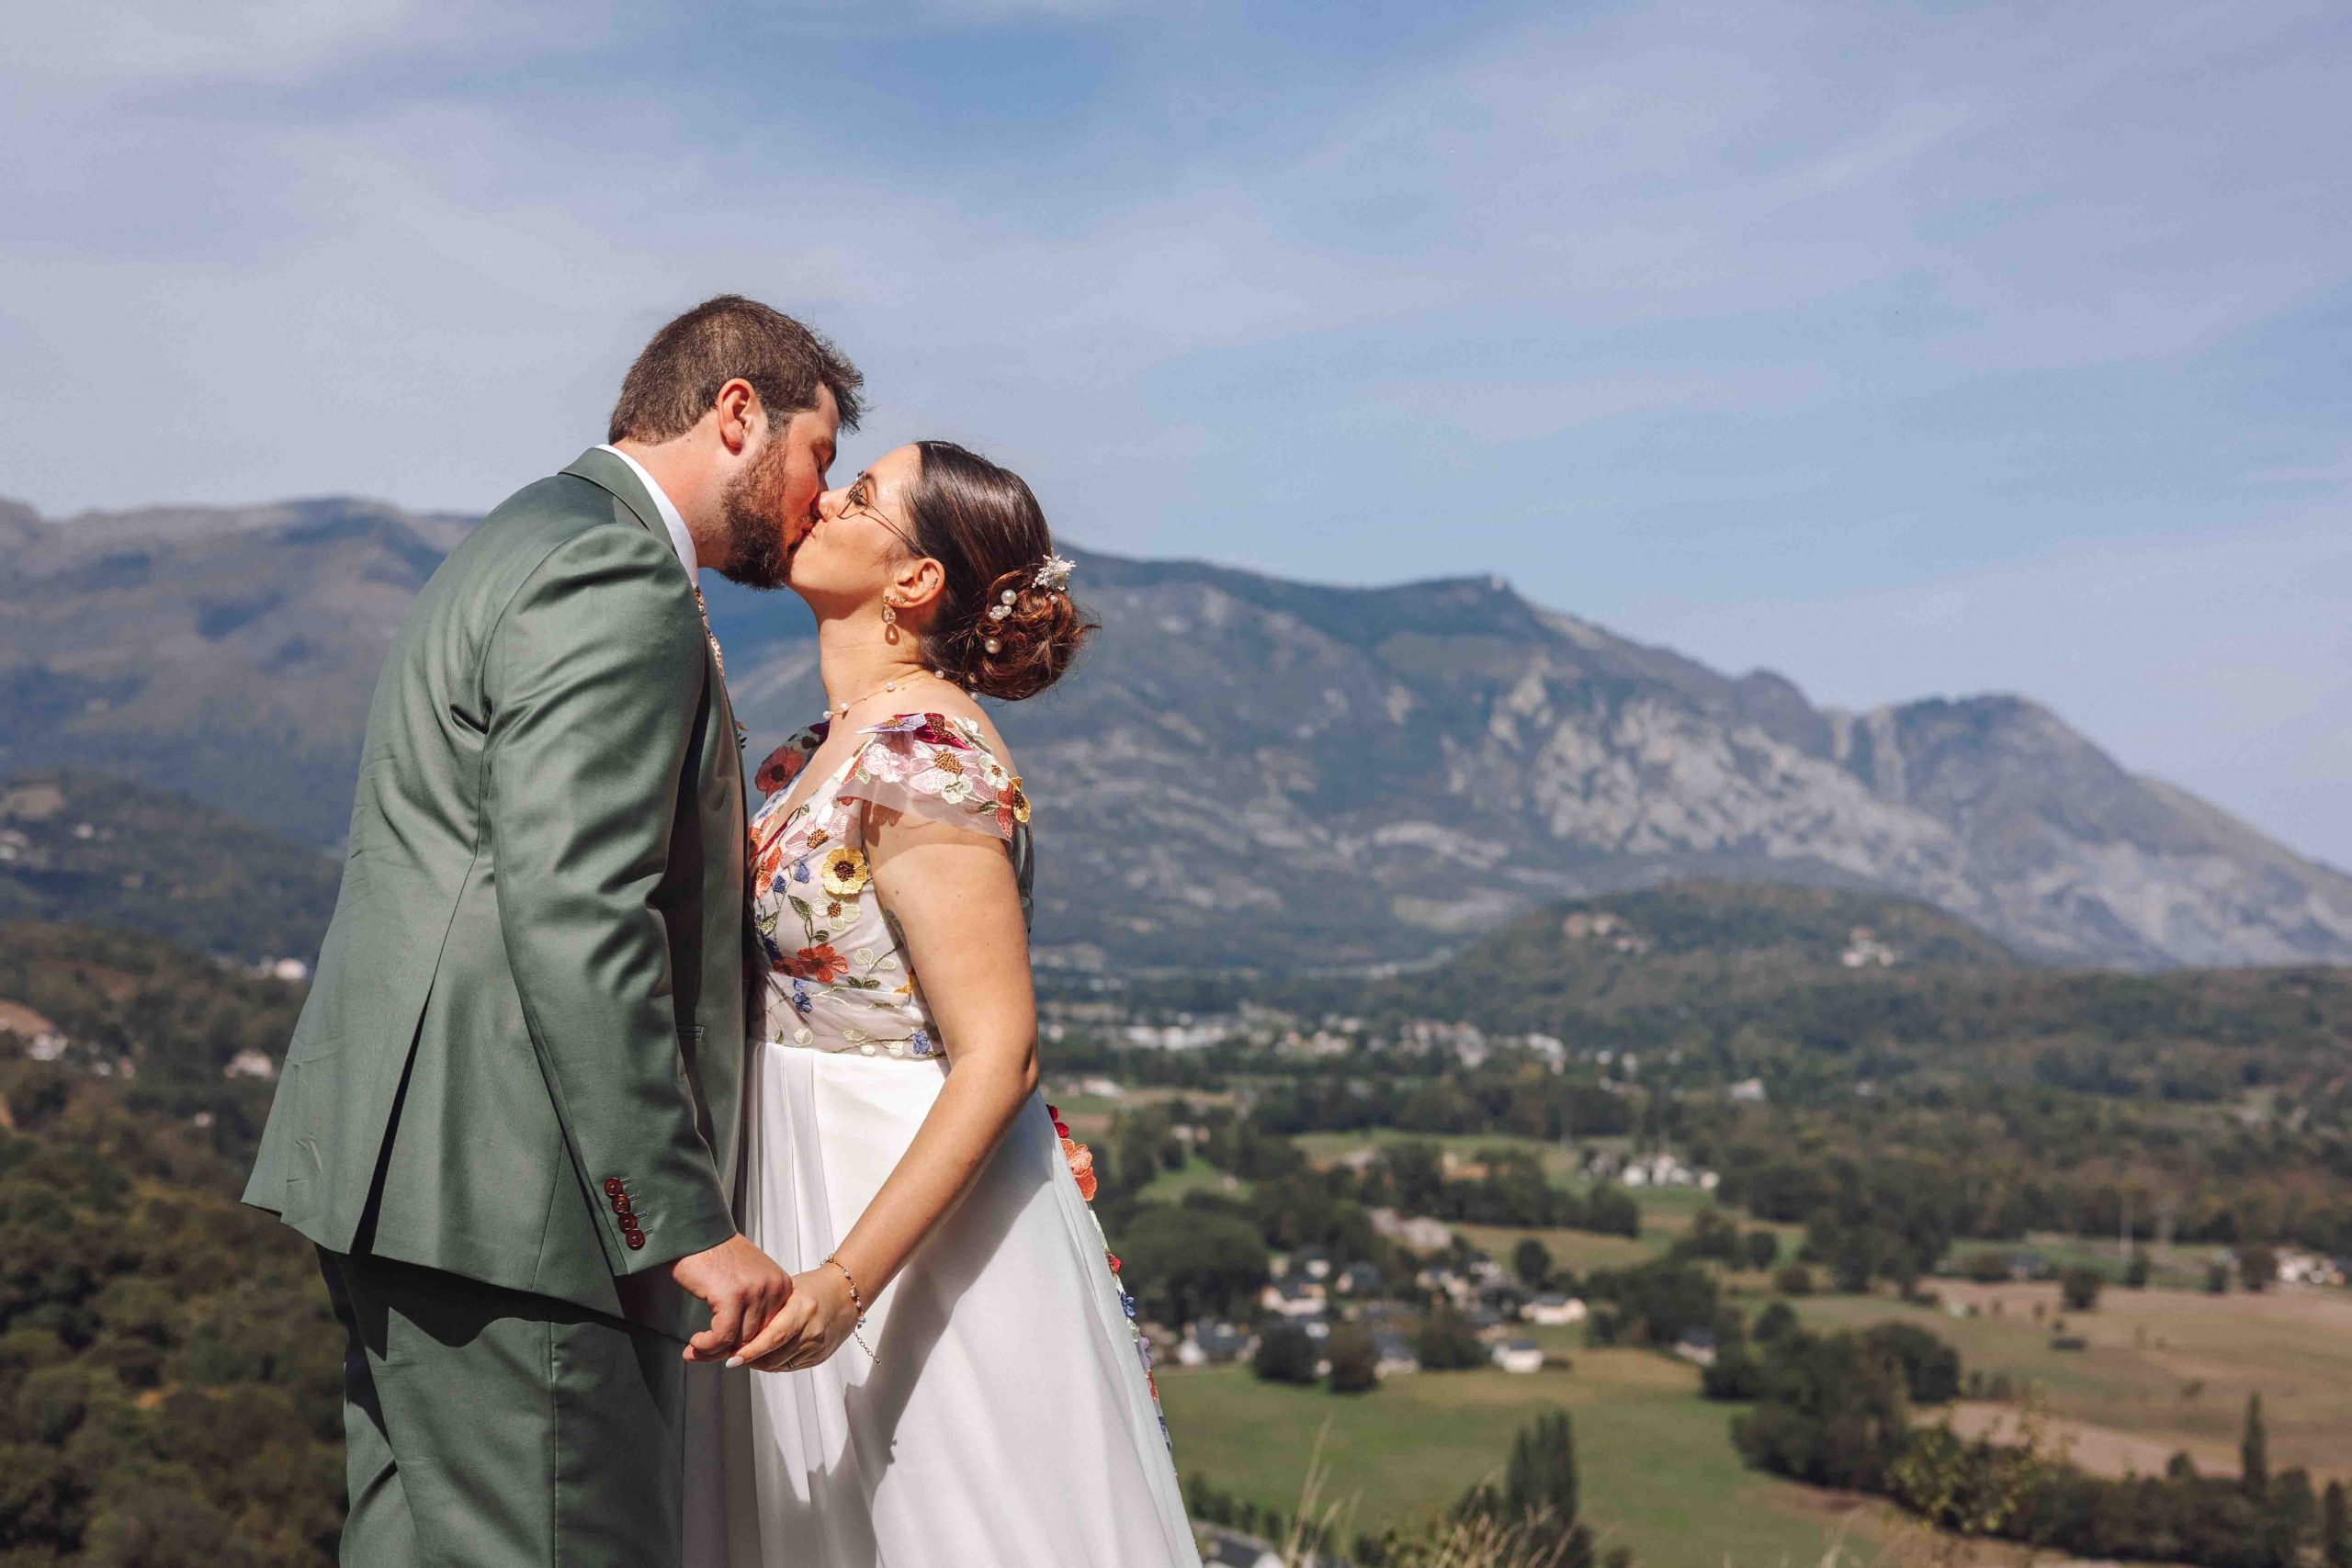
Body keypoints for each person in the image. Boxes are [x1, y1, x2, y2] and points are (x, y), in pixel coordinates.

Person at [240, 296, 863, 1566]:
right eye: (819, 456)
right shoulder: (618, 569)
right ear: (739, 412)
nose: (820, 498)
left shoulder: (520, 534)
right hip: (523, 1205)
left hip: (402, 1183)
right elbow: (581, 905)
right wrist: (680, 1212)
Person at [684, 441, 1201, 1566]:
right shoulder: (815, 752)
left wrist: (845, 1283)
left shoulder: (926, 755)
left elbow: (999, 1053)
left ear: (913, 582)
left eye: (859, 495)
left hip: (893, 1209)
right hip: (793, 1178)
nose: (821, 498)